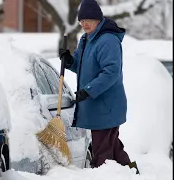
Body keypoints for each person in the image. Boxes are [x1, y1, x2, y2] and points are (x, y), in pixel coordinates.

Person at [59, 0, 139, 174]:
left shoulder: (107, 40)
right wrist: (69, 60)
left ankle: (103, 175)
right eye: (82, 20)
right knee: (113, 148)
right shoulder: (87, 38)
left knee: (102, 154)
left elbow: (111, 72)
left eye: (89, 19)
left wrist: (88, 90)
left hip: (105, 106)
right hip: (98, 106)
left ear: (98, 19)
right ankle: (131, 173)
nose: (84, 23)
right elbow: (80, 64)